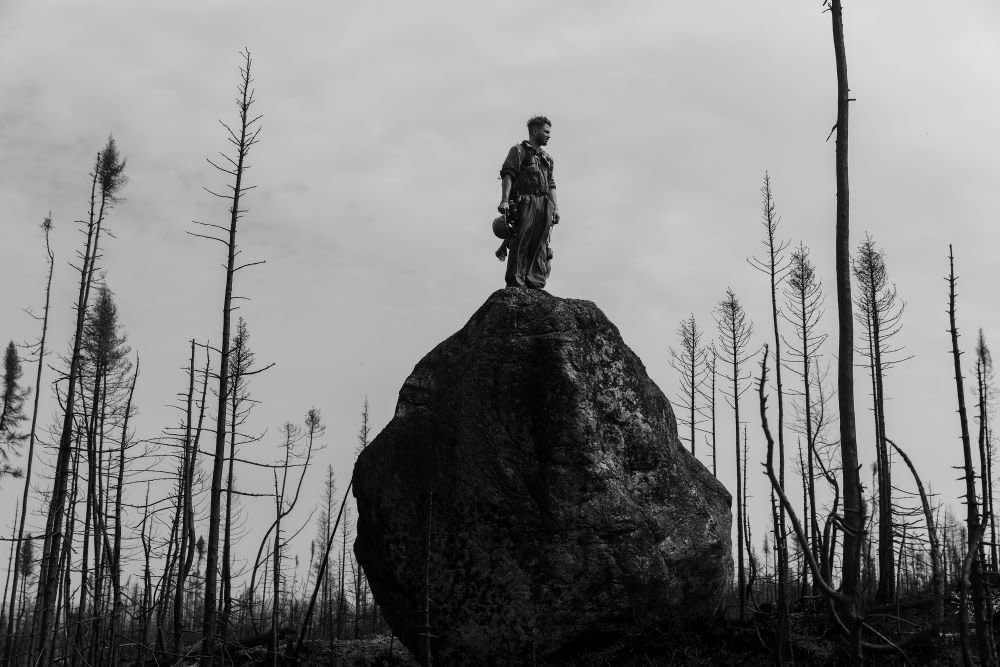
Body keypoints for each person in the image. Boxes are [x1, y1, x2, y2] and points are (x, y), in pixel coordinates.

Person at [498, 116, 560, 289]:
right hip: (525, 201)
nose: (549, 136)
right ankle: (516, 282)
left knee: (540, 243)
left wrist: (555, 208)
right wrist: (504, 200)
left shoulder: (547, 158)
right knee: (522, 240)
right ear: (534, 131)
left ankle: (535, 282)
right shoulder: (518, 151)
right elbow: (508, 175)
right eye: (546, 132)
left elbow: (552, 185)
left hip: (544, 203)